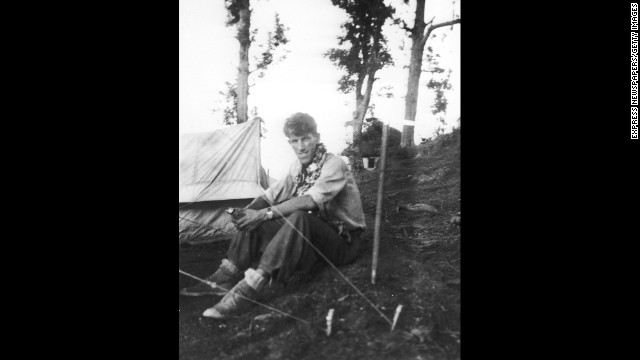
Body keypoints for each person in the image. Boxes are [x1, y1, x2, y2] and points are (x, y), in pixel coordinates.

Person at [180, 112, 366, 319]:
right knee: (255, 220)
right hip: (314, 239)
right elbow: (270, 196)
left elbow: (310, 201)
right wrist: (247, 211)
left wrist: (263, 214)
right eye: (294, 141)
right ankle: (225, 276)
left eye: (306, 139)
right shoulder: (297, 167)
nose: (301, 147)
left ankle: (251, 287)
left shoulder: (334, 164)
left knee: (298, 217)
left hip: (343, 243)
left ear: (317, 137)